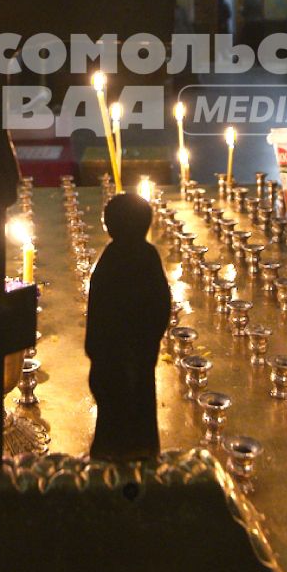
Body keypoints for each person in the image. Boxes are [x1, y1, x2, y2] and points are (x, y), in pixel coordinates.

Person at [85, 194, 172, 464]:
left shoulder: (109, 262)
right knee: (138, 405)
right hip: (138, 351)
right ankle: (141, 451)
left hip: (113, 354)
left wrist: (95, 348)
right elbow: (162, 305)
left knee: (115, 408)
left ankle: (111, 454)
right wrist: (150, 340)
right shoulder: (148, 256)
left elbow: (98, 311)